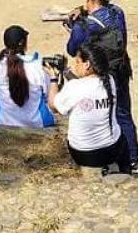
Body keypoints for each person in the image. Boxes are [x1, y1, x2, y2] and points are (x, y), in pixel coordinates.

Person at [64, 0, 138, 171]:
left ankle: (104, 158)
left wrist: (73, 27)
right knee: (123, 113)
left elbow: (72, 49)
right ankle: (132, 158)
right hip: (121, 69)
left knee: (99, 115)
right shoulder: (118, 13)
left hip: (101, 75)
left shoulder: (86, 26)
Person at [49, 42, 130, 174]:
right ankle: (127, 172)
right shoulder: (110, 81)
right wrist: (66, 72)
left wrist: (53, 79)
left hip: (83, 153)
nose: (75, 66)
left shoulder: (74, 87)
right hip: (111, 150)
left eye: (77, 62)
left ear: (87, 65)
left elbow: (53, 106)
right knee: (122, 139)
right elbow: (86, 85)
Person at [0, 25, 56, 128]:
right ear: (23, 43)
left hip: (1, 121)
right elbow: (47, 97)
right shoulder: (37, 67)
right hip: (37, 122)